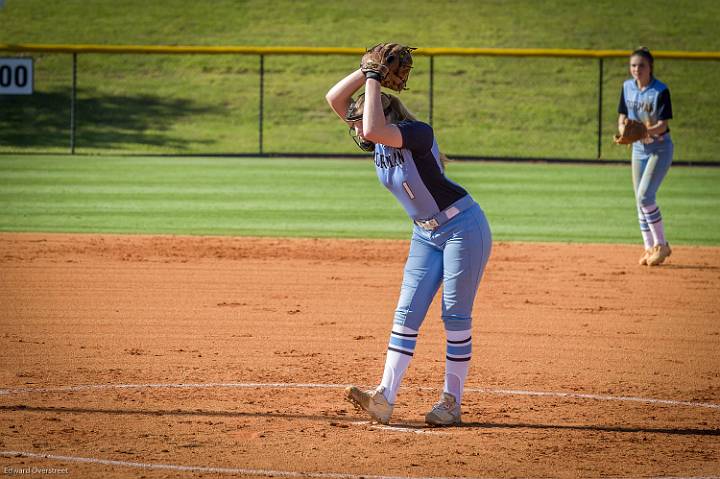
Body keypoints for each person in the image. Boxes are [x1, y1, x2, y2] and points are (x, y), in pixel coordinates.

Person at [325, 65, 492, 426]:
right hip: (424, 234)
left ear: (381, 112)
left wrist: (373, 79)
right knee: (406, 313)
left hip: (463, 226)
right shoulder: (376, 139)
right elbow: (334, 100)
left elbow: (370, 126)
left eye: (357, 122)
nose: (355, 130)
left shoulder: (416, 134)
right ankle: (384, 398)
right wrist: (364, 69)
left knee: (455, 315)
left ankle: (451, 402)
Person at [617, 46, 674, 266]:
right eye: (633, 65)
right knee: (638, 200)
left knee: (645, 196)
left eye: (641, 65)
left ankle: (662, 245)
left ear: (650, 68)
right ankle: (649, 248)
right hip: (638, 150)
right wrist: (623, 130)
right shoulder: (627, 88)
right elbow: (622, 117)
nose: (636, 69)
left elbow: (663, 125)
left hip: (659, 148)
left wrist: (644, 132)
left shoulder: (660, 90)